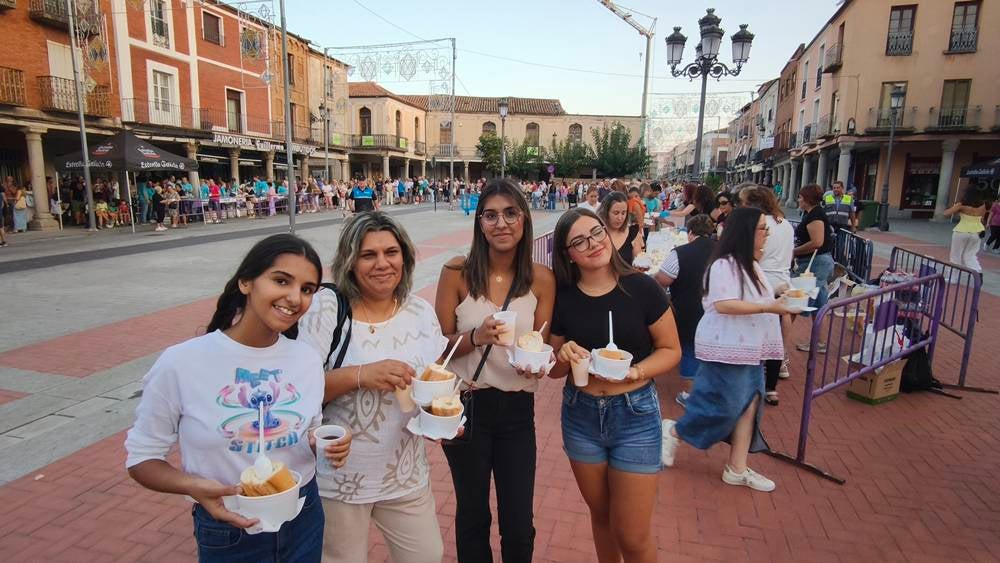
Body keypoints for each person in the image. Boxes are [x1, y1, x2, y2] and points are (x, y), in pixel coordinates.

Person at [125, 234, 350, 562]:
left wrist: (322, 443)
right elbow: (141, 459)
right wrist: (191, 485)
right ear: (246, 282)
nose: (294, 297)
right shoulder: (181, 362)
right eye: (281, 281)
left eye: (307, 289)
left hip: (303, 515)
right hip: (228, 523)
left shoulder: (307, 359)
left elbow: (310, 429)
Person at [297, 211, 448, 563]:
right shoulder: (326, 307)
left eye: (391, 252)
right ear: (350, 262)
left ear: (404, 258)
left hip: (405, 473)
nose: (382, 263)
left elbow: (434, 382)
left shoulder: (420, 312)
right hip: (339, 477)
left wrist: (440, 415)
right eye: (368, 255)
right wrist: (361, 374)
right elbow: (300, 391)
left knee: (427, 555)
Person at [548, 208, 681, 563]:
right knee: (602, 517)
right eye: (579, 241)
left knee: (633, 535)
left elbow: (671, 350)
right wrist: (564, 354)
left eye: (596, 232)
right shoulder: (564, 296)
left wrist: (635, 372)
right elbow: (554, 370)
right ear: (567, 254)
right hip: (580, 415)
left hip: (635, 414)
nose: (593, 244)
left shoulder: (642, 287)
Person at [434, 179, 555, 563]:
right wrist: (476, 336)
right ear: (480, 223)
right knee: (472, 516)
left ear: (524, 219)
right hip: (467, 406)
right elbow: (438, 347)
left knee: (518, 523)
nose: (501, 223)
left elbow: (540, 343)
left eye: (510, 213)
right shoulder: (455, 272)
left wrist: (538, 363)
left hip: (517, 410)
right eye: (490, 215)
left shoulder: (541, 278)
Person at [661, 207, 790, 492]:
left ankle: (737, 467)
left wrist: (778, 295)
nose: (767, 234)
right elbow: (724, 303)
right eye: (762, 228)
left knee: (749, 404)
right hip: (726, 347)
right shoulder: (724, 265)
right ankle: (675, 431)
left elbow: (750, 298)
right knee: (724, 405)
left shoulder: (751, 265)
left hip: (750, 348)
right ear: (746, 231)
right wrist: (769, 305)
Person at [739, 186, 795, 405]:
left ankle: (752, 382)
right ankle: (772, 386)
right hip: (782, 279)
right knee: (775, 335)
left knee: (756, 333)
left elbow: (755, 254)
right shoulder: (786, 224)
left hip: (762, 280)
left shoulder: (759, 224)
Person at [654, 214, 716, 407]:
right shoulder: (722, 250)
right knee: (711, 352)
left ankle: (690, 394)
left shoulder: (680, 252)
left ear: (690, 232)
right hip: (716, 310)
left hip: (688, 308)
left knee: (689, 349)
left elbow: (663, 279)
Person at [792, 184, 835, 353]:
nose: (798, 200)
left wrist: (794, 251)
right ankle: (820, 342)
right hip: (817, 263)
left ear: (807, 199)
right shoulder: (812, 214)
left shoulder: (815, 215)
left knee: (795, 301)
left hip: (815, 264)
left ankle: (778, 339)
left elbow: (817, 242)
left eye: (800, 197)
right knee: (819, 304)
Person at [944, 186, 987, 272]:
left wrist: (956, 207)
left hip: (961, 231)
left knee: (955, 256)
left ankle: (953, 276)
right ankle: (977, 272)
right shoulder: (983, 206)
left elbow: (946, 214)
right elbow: (982, 220)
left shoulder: (961, 205)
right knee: (970, 255)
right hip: (977, 232)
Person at [598, 191, 643, 266]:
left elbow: (638, 264)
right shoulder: (596, 235)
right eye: (616, 213)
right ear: (606, 212)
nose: (620, 218)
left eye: (623, 213)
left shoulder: (633, 233)